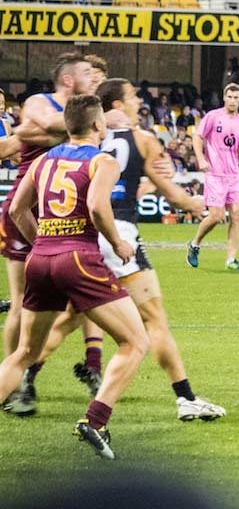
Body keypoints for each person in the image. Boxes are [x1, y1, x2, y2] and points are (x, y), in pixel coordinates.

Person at [20, 80, 224, 422]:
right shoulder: (141, 139)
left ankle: (27, 379)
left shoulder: (72, 138)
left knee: (71, 317)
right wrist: (201, 204)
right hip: (119, 232)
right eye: (132, 96)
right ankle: (185, 398)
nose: (137, 101)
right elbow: (172, 195)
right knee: (153, 319)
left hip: (78, 238)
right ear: (115, 104)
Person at [0, 95, 148, 459]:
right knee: (135, 342)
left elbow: (17, 208)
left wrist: (43, 243)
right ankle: (94, 422)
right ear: (98, 126)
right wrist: (118, 242)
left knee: (23, 352)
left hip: (41, 258)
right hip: (79, 257)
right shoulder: (103, 160)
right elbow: (97, 207)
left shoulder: (44, 160)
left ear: (67, 126)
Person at [1, 53, 97, 415]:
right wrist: (65, 126)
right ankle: (12, 382)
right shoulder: (40, 101)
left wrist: (34, 131)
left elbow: (32, 131)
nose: (94, 79)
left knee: (74, 305)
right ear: (69, 80)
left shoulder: (82, 112)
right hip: (25, 210)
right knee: (21, 301)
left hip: (62, 215)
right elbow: (46, 124)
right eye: (87, 74)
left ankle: (25, 375)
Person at [186, 83, 239, 272]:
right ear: (224, 98)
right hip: (215, 173)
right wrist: (200, 159)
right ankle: (195, 244)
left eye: (235, 97)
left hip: (233, 175)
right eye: (229, 96)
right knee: (216, 216)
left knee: (237, 214)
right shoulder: (213, 117)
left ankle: (231, 259)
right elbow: (197, 137)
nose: (232, 100)